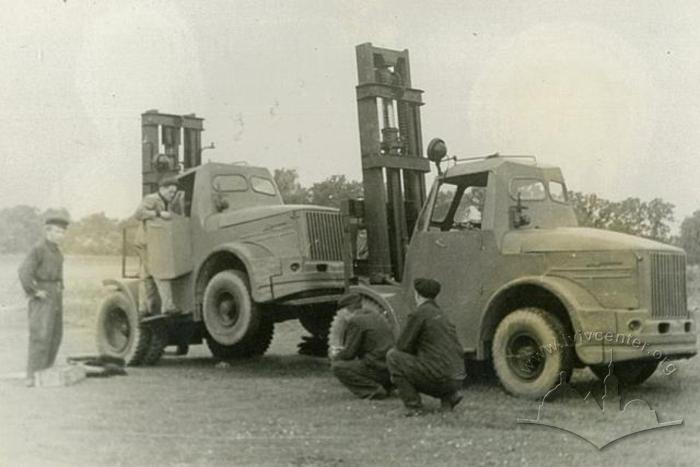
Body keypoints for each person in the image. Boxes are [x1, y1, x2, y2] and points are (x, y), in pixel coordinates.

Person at [387, 278, 465, 415]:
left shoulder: (419, 313)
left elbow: (402, 346)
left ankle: (412, 406)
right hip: (457, 377)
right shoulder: (441, 313)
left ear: (417, 295)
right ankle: (449, 397)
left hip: (440, 377)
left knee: (393, 357)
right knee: (435, 361)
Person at [18, 213, 70, 387]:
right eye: (57, 232)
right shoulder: (38, 249)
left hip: (55, 295)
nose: (60, 235)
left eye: (62, 232)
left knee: (55, 335)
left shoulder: (56, 251)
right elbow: (24, 272)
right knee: (40, 335)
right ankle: (31, 376)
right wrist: (34, 291)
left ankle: (45, 373)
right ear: (47, 232)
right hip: (43, 295)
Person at [330, 293, 394, 399]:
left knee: (338, 367)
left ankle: (374, 391)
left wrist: (336, 355)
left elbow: (349, 354)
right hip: (390, 367)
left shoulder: (356, 321)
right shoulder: (375, 316)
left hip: (377, 367)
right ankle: (387, 387)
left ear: (346, 310)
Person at [133, 176, 181, 319]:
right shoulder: (152, 199)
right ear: (162, 189)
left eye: (174, 193)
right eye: (170, 192)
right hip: (147, 242)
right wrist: (159, 213)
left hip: (153, 242)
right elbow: (138, 214)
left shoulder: (167, 202)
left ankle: (144, 308)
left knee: (147, 275)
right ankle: (167, 306)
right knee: (160, 271)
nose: (172, 195)